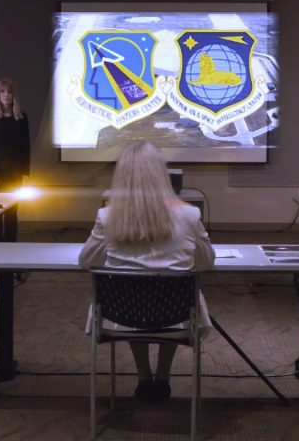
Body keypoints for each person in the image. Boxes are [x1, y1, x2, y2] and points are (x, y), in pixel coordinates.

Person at [78, 141, 215, 403]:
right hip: (175, 311)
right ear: (162, 174)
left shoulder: (107, 216)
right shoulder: (189, 215)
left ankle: (143, 375)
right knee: (170, 298)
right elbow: (206, 262)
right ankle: (163, 376)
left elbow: (86, 261)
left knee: (136, 295)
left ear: (122, 176)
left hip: (122, 314)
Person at [0, 78, 30, 242]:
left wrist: (25, 171)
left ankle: (11, 246)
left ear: (14, 95)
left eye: (9, 92)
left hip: (15, 173)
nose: (6, 95)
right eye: (2, 91)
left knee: (12, 212)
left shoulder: (21, 117)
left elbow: (26, 145)